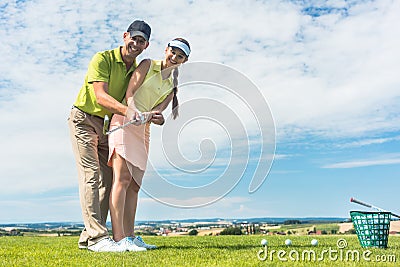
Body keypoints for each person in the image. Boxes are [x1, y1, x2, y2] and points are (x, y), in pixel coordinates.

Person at [68, 20, 151, 252]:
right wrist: (129, 112)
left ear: (146, 45)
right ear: (125, 36)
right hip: (83, 119)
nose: (136, 43)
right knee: (91, 175)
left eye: (141, 40)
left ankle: (89, 237)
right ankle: (96, 238)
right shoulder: (102, 58)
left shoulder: (135, 70)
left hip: (105, 126)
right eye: (133, 37)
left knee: (109, 178)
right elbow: (100, 97)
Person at [107, 38, 191, 249]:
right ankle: (119, 239)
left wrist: (159, 119)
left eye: (180, 56)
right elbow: (130, 95)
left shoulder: (172, 85)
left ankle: (131, 236)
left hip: (143, 131)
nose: (174, 57)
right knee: (123, 178)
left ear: (184, 61)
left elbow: (158, 113)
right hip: (125, 121)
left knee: (135, 185)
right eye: (173, 52)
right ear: (166, 50)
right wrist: (133, 112)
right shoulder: (147, 64)